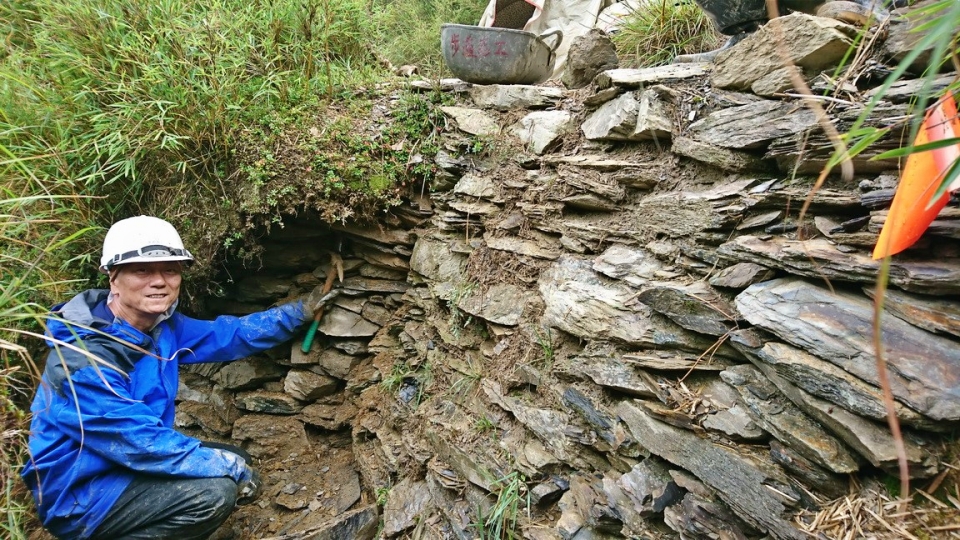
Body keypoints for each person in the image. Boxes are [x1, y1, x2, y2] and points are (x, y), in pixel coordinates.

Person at [21, 215, 338, 540]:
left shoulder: (160, 328)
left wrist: (298, 312)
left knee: (234, 458)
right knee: (213, 493)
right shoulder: (82, 358)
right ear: (113, 277)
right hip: (82, 494)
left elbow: (229, 335)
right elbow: (138, 442)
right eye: (142, 270)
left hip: (124, 463)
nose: (159, 281)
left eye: (170, 270)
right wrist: (226, 467)